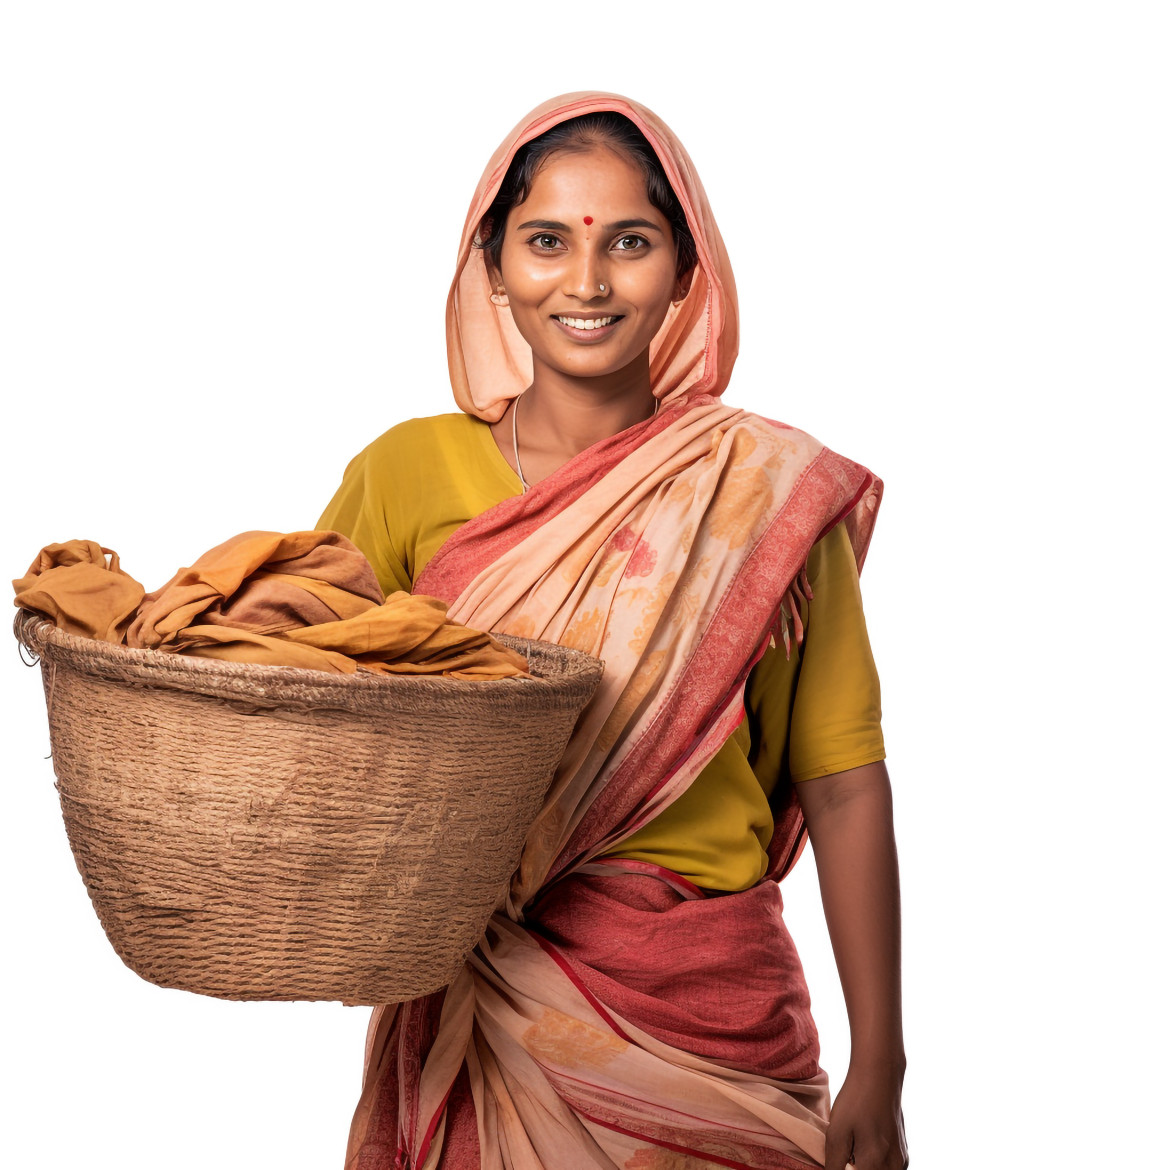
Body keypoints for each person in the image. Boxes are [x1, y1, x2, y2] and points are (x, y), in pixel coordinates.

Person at [316, 91, 908, 1170]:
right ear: (493, 265)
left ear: (685, 270)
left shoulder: (758, 496)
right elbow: (311, 713)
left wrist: (883, 1060)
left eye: (629, 243)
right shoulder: (405, 474)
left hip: (708, 1019)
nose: (585, 283)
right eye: (546, 242)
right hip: (479, 1016)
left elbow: (843, 781)